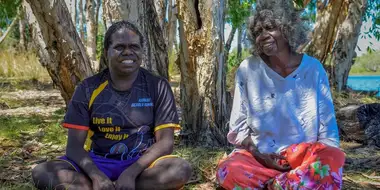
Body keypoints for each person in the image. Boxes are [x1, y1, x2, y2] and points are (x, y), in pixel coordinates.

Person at [32, 20, 192, 190]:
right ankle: (104, 186)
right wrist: (96, 175)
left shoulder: (157, 85)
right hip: (97, 162)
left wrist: (131, 173)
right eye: (119, 47)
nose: (128, 52)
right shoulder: (87, 88)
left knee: (180, 169)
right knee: (42, 172)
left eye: (134, 47)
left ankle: (116, 186)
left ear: (141, 52)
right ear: (106, 51)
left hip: (142, 164)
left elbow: (165, 143)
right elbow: (73, 147)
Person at [216, 1, 345, 190]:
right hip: (260, 157)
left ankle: (277, 184)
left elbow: (328, 134)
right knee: (227, 170)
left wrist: (310, 161)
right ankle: (289, 184)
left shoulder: (313, 69)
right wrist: (258, 154)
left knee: (334, 157)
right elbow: (239, 128)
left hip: (303, 157)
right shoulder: (248, 69)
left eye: (270, 27)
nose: (263, 36)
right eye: (258, 32)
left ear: (288, 28)